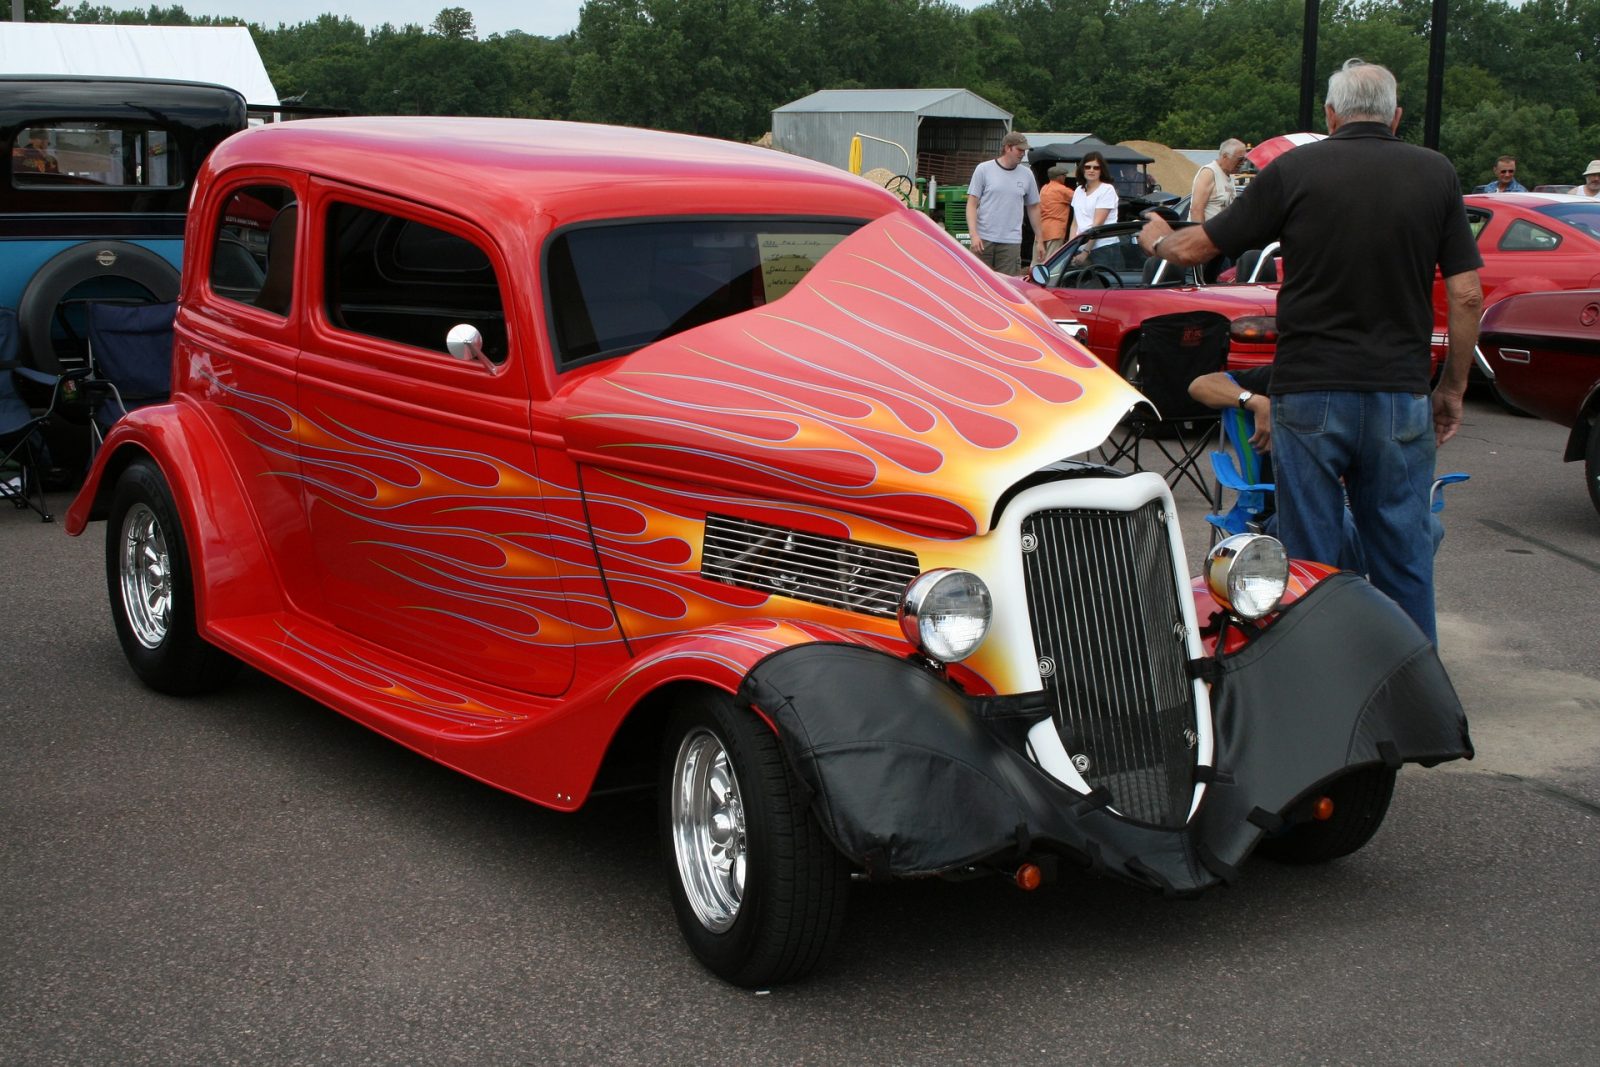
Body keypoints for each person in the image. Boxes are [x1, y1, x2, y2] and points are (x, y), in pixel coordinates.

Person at [1136, 58, 1484, 644]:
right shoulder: (1436, 174)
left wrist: (1155, 240)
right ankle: (1415, 706)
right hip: (1399, 392)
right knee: (1405, 557)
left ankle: (1323, 688)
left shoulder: (1296, 170)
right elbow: (1468, 294)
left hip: (1310, 392)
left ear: (1330, 114)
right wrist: (1450, 388)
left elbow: (1198, 247)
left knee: (1311, 564)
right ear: (1396, 116)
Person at [966, 132, 1043, 275]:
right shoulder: (984, 169)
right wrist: (974, 235)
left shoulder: (1027, 174)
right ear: (1008, 148)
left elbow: (1033, 207)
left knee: (1008, 285)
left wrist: (1040, 239)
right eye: (1020, 150)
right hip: (983, 239)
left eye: (1024, 151)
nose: (1023, 154)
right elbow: (972, 204)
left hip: (1011, 241)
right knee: (977, 281)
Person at [1068, 150, 1118, 264]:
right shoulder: (1078, 190)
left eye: (1096, 168)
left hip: (1103, 248)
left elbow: (1097, 226)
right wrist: (1070, 249)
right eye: (1088, 167)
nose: (1091, 170)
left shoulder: (1107, 190)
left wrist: (1086, 252)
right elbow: (1075, 223)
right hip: (1080, 246)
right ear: (1082, 169)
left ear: (1102, 170)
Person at [1189, 139, 1247, 223]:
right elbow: (1196, 211)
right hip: (1207, 234)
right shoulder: (1209, 173)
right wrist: (1202, 235)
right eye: (1240, 159)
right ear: (1225, 156)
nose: (1242, 163)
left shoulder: (1229, 176)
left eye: (1244, 160)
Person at [1038, 164, 1074, 258]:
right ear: (1060, 177)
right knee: (1051, 262)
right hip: (1055, 231)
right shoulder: (1062, 190)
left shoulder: (1044, 188)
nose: (1065, 178)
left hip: (1041, 230)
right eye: (1064, 176)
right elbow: (1081, 199)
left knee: (1038, 261)